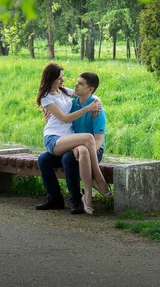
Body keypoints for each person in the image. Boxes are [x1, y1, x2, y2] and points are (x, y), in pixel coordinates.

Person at [35, 64, 111, 215]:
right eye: (59, 78)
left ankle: (56, 199)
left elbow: (89, 94)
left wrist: (97, 101)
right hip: (53, 138)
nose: (63, 80)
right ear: (51, 79)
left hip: (67, 138)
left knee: (44, 159)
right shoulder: (46, 97)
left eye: (62, 77)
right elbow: (64, 118)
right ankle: (96, 180)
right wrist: (87, 109)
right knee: (85, 141)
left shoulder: (63, 91)